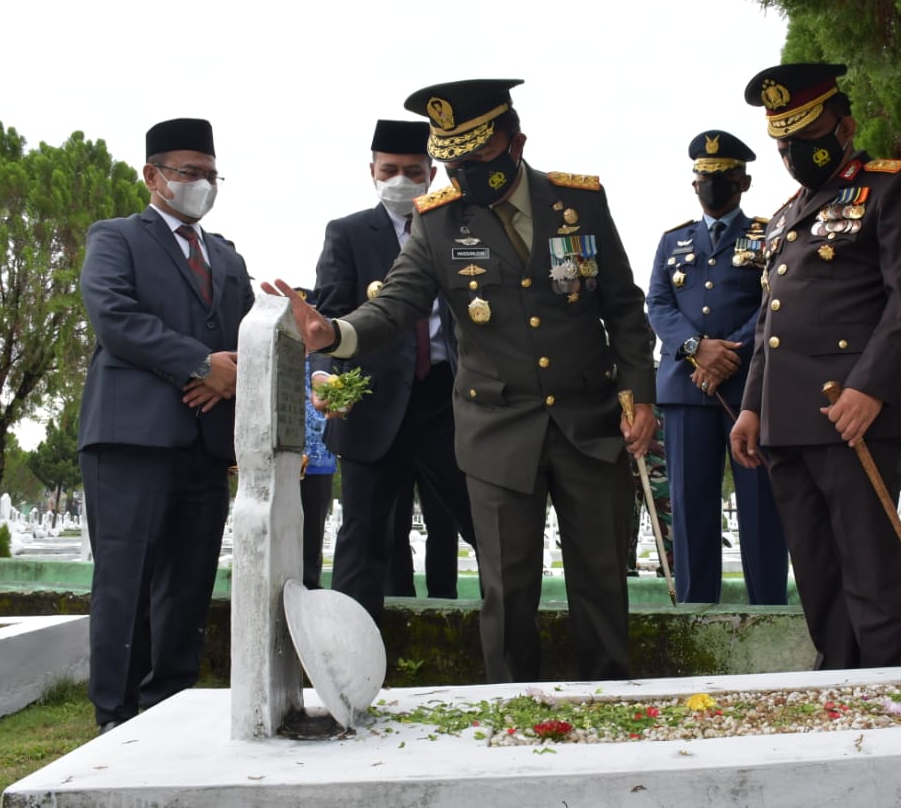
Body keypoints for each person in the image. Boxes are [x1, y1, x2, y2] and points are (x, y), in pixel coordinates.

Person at [266, 79, 655, 682]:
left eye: (476, 158)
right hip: (498, 429)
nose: (463, 173)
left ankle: (610, 701)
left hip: (587, 422)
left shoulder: (579, 203)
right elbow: (394, 305)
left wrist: (640, 395)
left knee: (601, 579)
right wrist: (332, 334)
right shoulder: (440, 222)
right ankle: (513, 708)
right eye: (452, 161)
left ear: (515, 142)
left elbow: (625, 309)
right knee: (508, 588)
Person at [730, 63, 901, 669]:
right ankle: (838, 680)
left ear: (844, 125)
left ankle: (882, 686)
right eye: (783, 142)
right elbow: (772, 324)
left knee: (868, 561)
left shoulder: (892, 187)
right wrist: (750, 407)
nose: (793, 152)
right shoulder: (784, 215)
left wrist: (870, 389)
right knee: (816, 567)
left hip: (851, 411)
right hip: (787, 420)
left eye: (804, 135)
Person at [77, 118, 254, 731]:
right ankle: (116, 713)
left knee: (188, 585)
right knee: (126, 581)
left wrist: (247, 367)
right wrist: (200, 364)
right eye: (188, 173)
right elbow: (115, 318)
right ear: (153, 176)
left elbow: (246, 336)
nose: (200, 185)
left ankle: (169, 710)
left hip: (205, 446)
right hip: (131, 440)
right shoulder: (117, 238)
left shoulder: (227, 256)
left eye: (210, 175)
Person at [312, 120, 474, 618]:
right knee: (363, 534)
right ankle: (347, 654)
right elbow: (328, 315)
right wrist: (325, 373)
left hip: (449, 402)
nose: (400, 181)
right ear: (372, 172)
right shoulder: (348, 233)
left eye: (412, 171)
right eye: (389, 171)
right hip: (370, 400)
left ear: (431, 174)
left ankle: (505, 655)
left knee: (482, 524)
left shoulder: (461, 226)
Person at [646, 130, 786, 604]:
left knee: (761, 505)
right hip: (686, 390)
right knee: (689, 508)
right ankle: (694, 609)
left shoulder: (768, 235)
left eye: (723, 178)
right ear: (694, 185)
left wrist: (729, 352)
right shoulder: (673, 241)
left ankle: (768, 607)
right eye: (705, 178)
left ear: (742, 182)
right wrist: (695, 347)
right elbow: (658, 304)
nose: (713, 186)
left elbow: (773, 304)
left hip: (748, 389)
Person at [297, 288, 335, 590]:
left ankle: (310, 587)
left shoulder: (326, 355)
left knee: (313, 530)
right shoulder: (277, 349)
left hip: (319, 458)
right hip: (281, 455)